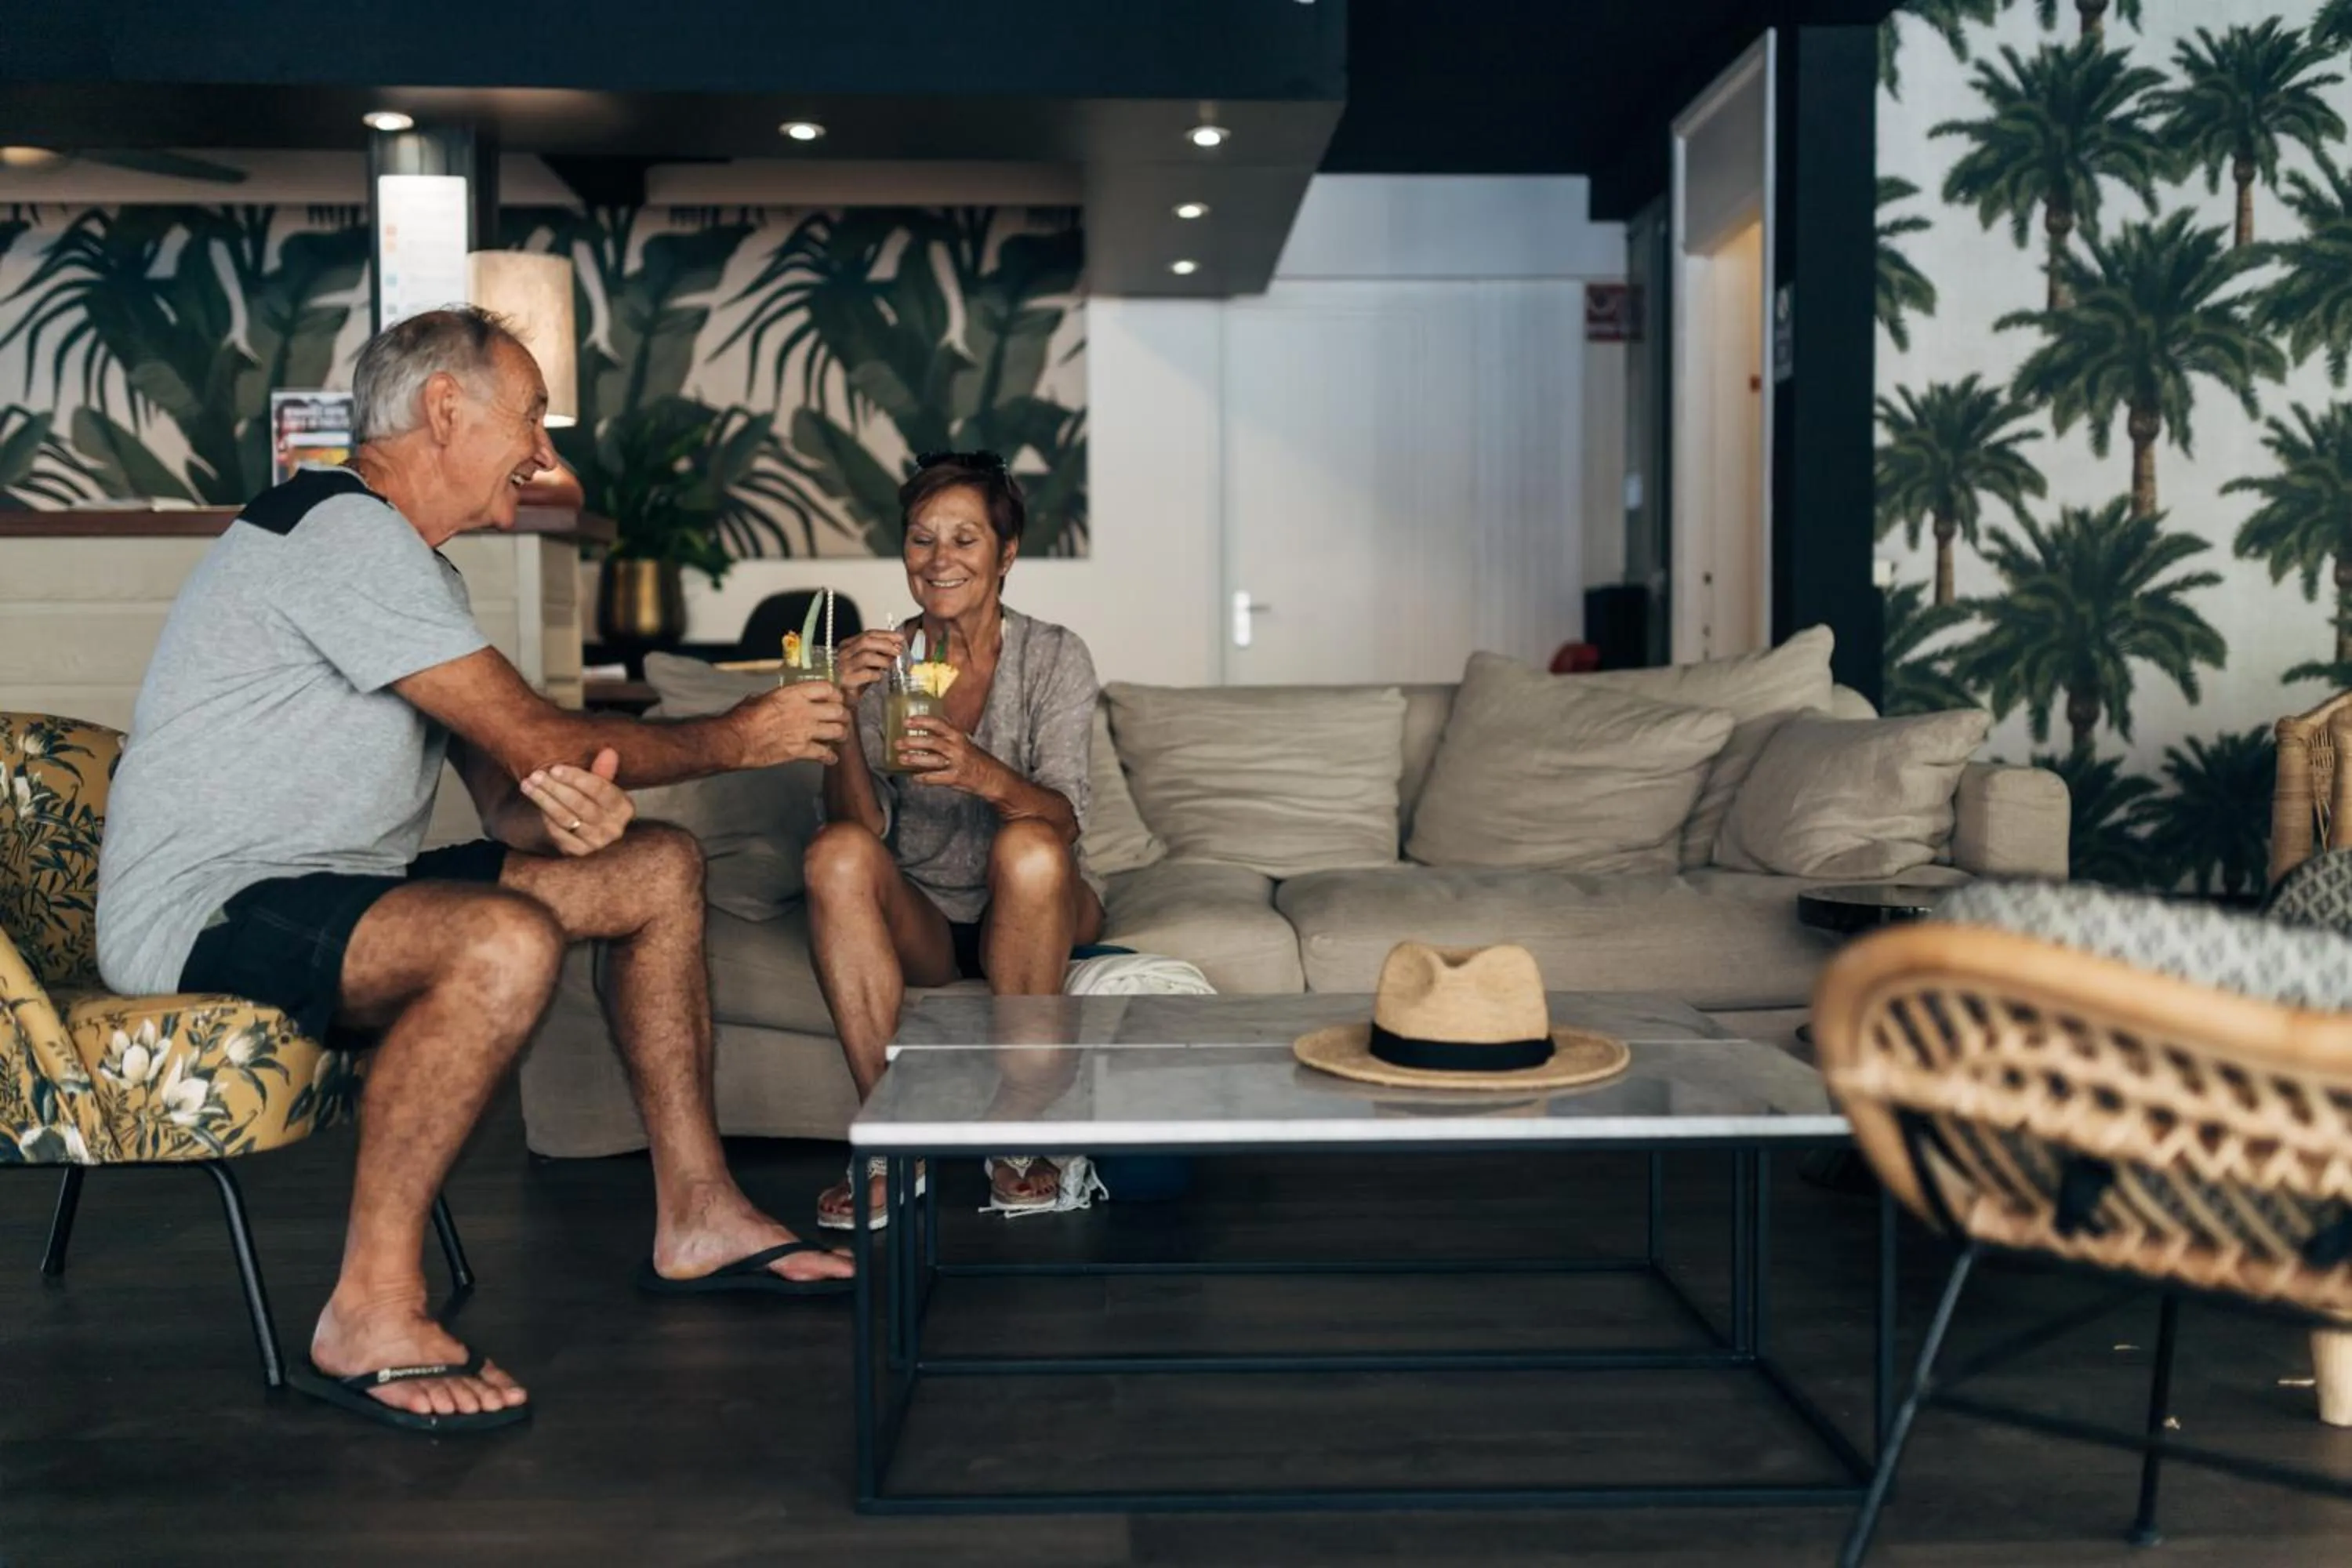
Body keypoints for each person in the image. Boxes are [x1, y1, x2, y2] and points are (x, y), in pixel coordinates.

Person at [94, 307, 855, 1435]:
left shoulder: (417, 571)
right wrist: (739, 737)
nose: (543, 453)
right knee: (501, 939)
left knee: (654, 868)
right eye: (532, 418)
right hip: (212, 908)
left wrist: (568, 814)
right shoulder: (336, 531)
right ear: (444, 408)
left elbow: (511, 789)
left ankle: (698, 1212)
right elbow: (541, 733)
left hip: (338, 885)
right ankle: (369, 1309)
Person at [804, 452, 1104, 1227]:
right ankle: (891, 1140)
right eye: (921, 538)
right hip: (928, 919)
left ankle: (1019, 1133)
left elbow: (1064, 818)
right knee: (832, 854)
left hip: (1037, 900)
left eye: (965, 539)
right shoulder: (882, 662)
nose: (940, 560)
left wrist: (978, 771)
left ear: (1006, 554)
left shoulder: (1054, 655)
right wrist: (839, 715)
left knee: (1029, 847)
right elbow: (861, 829)